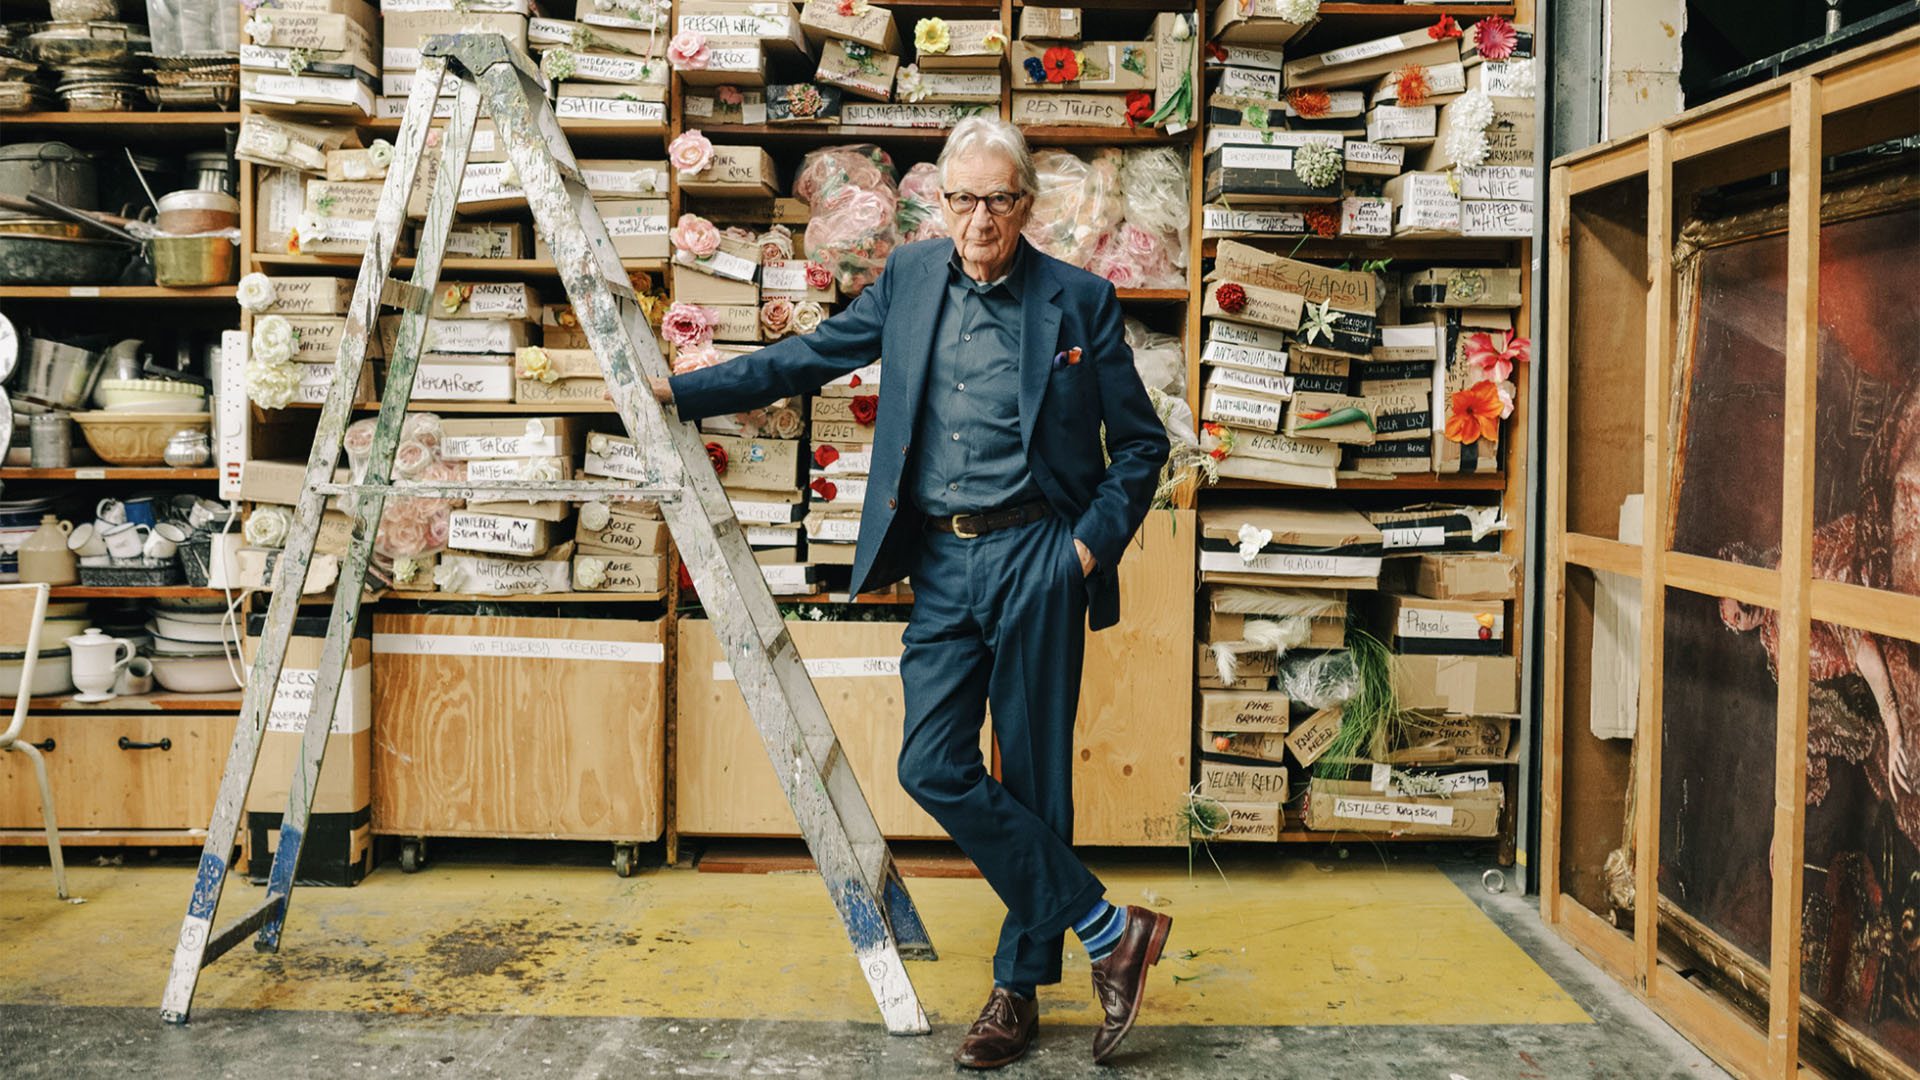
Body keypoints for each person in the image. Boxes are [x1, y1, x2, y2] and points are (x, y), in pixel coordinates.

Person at [653, 116, 1173, 1068]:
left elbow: (1140, 447)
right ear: (941, 202)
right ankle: (1108, 932)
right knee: (931, 765)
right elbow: (808, 356)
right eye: (963, 200)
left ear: (1028, 204)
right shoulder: (910, 277)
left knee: (1034, 779)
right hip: (942, 561)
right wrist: (680, 391)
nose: (979, 220)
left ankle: (1016, 993)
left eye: (999, 201)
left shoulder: (1080, 301)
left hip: (1039, 557)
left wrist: (1086, 554)